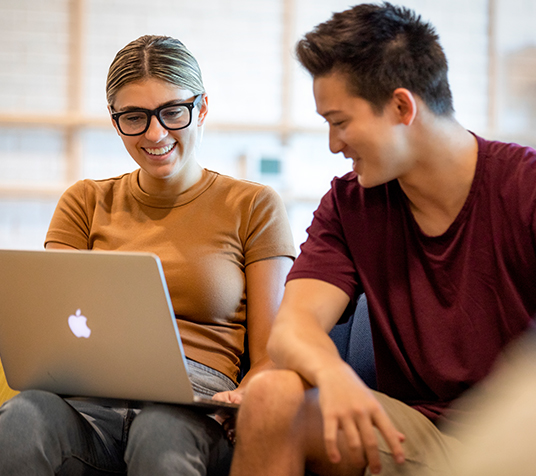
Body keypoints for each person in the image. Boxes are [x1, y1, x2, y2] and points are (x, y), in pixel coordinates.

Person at [229, 3, 536, 476]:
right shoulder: (350, 205)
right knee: (273, 397)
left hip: (517, 433)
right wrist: (333, 374)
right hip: (412, 432)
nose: (334, 143)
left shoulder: (524, 187)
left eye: (340, 121)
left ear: (400, 107)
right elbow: (294, 327)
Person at [0, 35, 295, 476]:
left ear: (203, 108)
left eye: (173, 111)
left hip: (194, 407)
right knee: (22, 419)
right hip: (89, 404)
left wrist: (244, 397)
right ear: (115, 120)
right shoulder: (84, 201)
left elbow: (271, 354)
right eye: (134, 117)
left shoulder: (253, 205)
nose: (155, 134)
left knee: (160, 433)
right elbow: (51, 331)